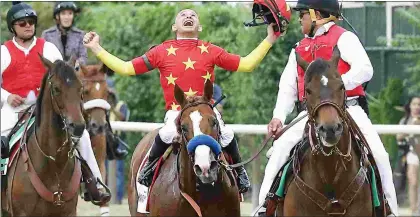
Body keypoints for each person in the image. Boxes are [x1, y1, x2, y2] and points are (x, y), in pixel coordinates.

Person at [83, 3, 290, 194]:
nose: (188, 16)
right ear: (175, 26)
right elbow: (126, 68)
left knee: (226, 133)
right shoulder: (160, 51)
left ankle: (240, 174)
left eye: (193, 15)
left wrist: (270, 39)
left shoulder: (211, 50)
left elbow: (246, 64)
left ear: (199, 27)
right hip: (177, 111)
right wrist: (96, 49)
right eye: (183, 15)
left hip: (206, 110)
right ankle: (148, 169)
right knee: (166, 133)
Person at [256, 0, 399, 216]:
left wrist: (335, 86)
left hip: (347, 108)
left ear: (316, 15)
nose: (299, 19)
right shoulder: (298, 48)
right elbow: (288, 87)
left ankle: (391, 210)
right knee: (280, 149)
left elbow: (365, 69)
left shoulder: (344, 38)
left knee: (379, 155)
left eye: (303, 14)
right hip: (311, 114)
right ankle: (263, 208)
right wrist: (278, 117)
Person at [1, 2, 110, 205]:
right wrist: (6, 96)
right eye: (22, 23)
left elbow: (64, 77)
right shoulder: (3, 52)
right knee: (1, 141)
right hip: (13, 109)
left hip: (44, 110)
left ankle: (95, 184)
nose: (28, 26)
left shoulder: (48, 48)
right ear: (12, 27)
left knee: (83, 135)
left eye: (31, 22)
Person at [396, 96, 420, 214]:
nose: (417, 107)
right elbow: (398, 136)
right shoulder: (405, 120)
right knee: (413, 182)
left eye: (419, 104)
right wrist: (412, 124)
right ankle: (413, 210)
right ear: (410, 106)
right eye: (414, 104)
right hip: (412, 153)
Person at [107, 89, 130, 204]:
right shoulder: (106, 108)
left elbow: (122, 117)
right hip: (109, 141)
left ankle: (118, 198)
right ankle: (108, 196)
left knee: (119, 171)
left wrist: (112, 108)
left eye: (111, 97)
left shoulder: (121, 105)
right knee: (107, 170)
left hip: (120, 141)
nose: (109, 99)